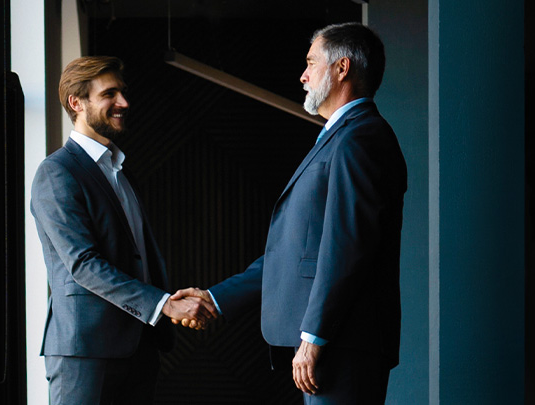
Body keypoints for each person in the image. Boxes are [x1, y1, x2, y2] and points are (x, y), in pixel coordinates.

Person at [172, 23, 407, 404]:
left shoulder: (360, 139)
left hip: (341, 346)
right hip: (335, 345)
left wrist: (314, 337)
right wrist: (216, 298)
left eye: (311, 63)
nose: (303, 75)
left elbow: (347, 250)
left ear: (342, 68)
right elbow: (296, 254)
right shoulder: (346, 137)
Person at [30, 56, 217, 404]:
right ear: (77, 103)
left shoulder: (121, 171)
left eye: (123, 92)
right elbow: (83, 264)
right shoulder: (56, 173)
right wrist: (163, 305)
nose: (124, 103)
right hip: (86, 353)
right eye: (109, 94)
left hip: (139, 347)